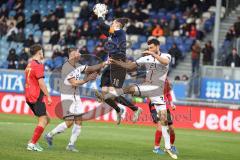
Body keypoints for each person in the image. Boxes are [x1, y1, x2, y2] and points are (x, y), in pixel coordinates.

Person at [96, 39, 177, 159]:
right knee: (130, 88)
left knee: (164, 120)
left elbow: (164, 62)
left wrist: (153, 54)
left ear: (157, 46)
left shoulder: (166, 56)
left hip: (158, 93)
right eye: (149, 48)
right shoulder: (146, 58)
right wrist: (117, 63)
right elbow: (130, 66)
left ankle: (168, 147)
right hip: (148, 87)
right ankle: (108, 95)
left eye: (152, 47)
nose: (149, 49)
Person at [45, 47, 107, 152]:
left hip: (76, 96)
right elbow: (74, 83)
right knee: (69, 123)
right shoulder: (67, 67)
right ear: (73, 54)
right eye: (78, 52)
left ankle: (70, 145)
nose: (80, 54)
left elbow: (90, 68)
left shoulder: (77, 66)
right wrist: (87, 79)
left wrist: (104, 63)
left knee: (79, 121)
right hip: (67, 97)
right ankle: (50, 135)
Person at [93, 3, 142, 125]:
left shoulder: (120, 32)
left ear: (118, 25)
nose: (111, 24)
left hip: (119, 64)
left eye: (113, 22)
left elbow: (102, 24)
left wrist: (100, 15)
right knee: (105, 93)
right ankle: (118, 110)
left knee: (114, 93)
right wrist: (100, 17)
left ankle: (136, 109)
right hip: (111, 63)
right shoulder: (113, 34)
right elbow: (101, 27)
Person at [25, 44, 52, 151]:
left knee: (47, 118)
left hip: (29, 96)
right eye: (42, 52)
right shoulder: (38, 65)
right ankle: (32, 144)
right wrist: (48, 96)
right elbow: (41, 83)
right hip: (35, 96)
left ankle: (33, 141)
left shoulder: (29, 64)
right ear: (39, 52)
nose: (43, 54)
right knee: (44, 120)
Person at [150, 79, 178, 155]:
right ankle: (156, 148)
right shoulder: (153, 79)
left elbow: (168, 93)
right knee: (160, 126)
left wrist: (171, 104)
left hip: (165, 107)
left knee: (171, 128)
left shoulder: (166, 81)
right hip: (155, 106)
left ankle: (171, 146)